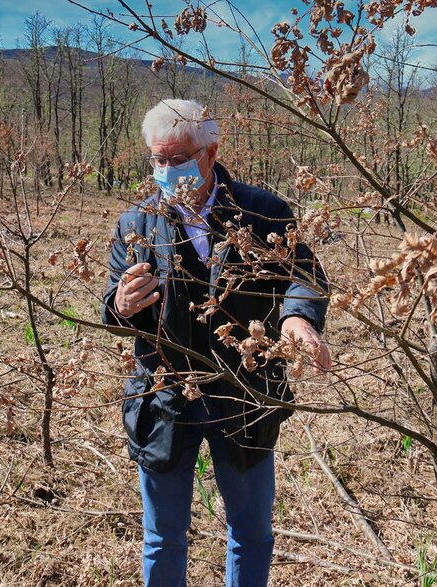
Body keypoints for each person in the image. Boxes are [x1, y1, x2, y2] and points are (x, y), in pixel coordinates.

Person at [102, 99, 330, 587]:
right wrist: (121, 303)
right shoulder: (135, 224)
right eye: (157, 160)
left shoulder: (262, 212)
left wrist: (296, 317)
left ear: (210, 152)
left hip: (244, 395)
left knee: (250, 531)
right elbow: (112, 306)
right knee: (163, 535)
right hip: (162, 398)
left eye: (178, 158)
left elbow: (304, 275)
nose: (167, 170)